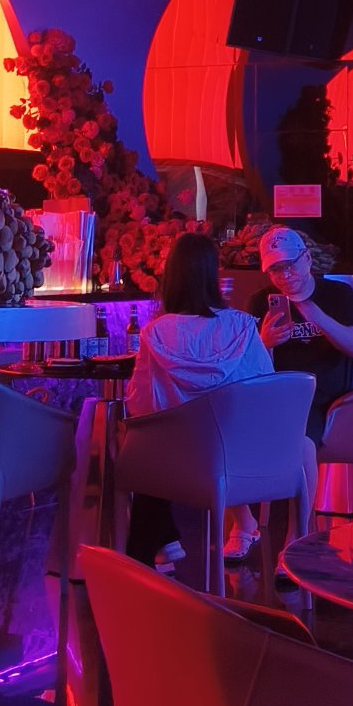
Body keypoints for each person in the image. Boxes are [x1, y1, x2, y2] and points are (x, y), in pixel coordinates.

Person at [123, 231, 273, 574]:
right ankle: (162, 544)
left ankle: (154, 549)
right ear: (213, 274)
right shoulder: (241, 326)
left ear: (171, 276)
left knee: (136, 443)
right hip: (238, 456)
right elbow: (264, 389)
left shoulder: (156, 332)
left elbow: (139, 404)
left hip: (177, 462)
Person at [254, 224, 353, 435]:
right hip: (282, 392)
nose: (285, 275)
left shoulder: (338, 293)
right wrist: (266, 344)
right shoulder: (260, 302)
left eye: (290, 265)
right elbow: (254, 370)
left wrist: (319, 318)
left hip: (330, 394)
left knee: (294, 426)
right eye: (275, 269)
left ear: (307, 258)